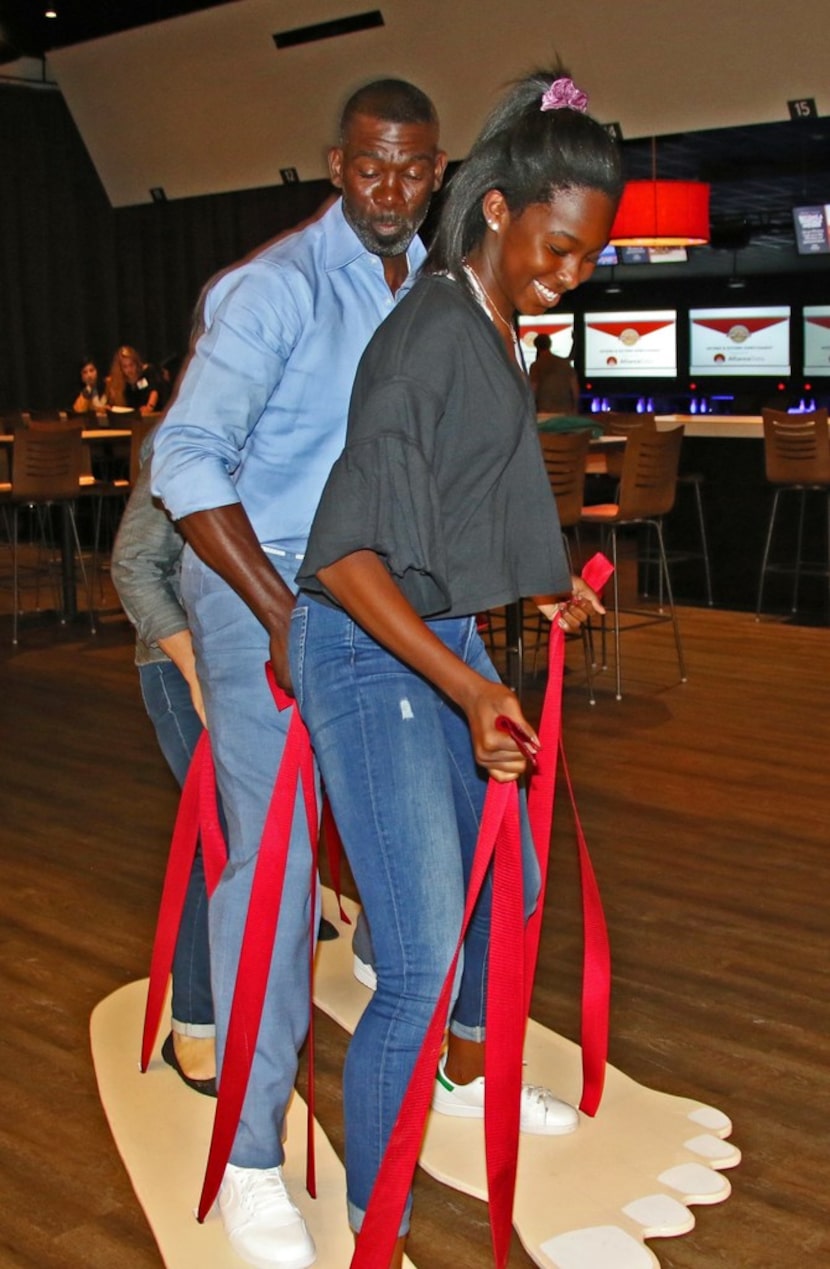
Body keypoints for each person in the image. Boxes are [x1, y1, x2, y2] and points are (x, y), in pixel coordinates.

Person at [290, 68, 623, 1265]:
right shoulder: (429, 334)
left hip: (442, 642)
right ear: (495, 211)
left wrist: (533, 587)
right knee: (427, 960)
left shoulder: (495, 322)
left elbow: (467, 490)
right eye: (558, 246)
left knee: (514, 889)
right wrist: (473, 684)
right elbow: (346, 561)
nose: (569, 275)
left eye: (589, 259)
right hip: (367, 643)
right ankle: (379, 1225)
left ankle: (445, 1060)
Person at [151, 79, 448, 1269]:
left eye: (411, 169)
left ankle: (427, 1064)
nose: (389, 190)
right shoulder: (271, 289)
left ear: (436, 170)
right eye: (370, 167)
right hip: (257, 585)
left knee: (422, 832)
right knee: (272, 876)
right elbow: (184, 459)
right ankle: (252, 1159)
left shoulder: (432, 284)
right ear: (337, 163)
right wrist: (279, 615)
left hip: (370, 586)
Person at [111, 428, 217, 1096]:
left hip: (243, 663)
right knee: (217, 833)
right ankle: (194, 1026)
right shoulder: (181, 436)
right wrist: (196, 669)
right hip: (179, 667)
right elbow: (132, 565)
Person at [529, 331, 581, 413]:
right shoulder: (564, 363)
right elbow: (575, 389)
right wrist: (575, 408)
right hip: (565, 410)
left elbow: (533, 390)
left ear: (536, 346)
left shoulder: (536, 366)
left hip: (545, 411)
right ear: (550, 344)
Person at [106, 345, 161, 413]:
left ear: (136, 363)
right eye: (125, 367)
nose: (129, 370)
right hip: (131, 418)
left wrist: (149, 407)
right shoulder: (120, 383)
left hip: (153, 414)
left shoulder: (146, 373)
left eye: (131, 365)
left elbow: (154, 391)